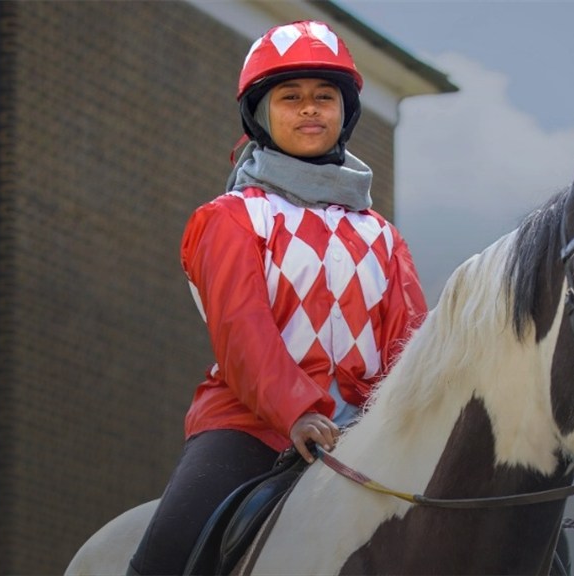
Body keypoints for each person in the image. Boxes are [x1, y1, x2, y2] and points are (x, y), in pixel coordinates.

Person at [127, 20, 428, 576]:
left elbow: (410, 345)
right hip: (254, 426)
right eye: (290, 98)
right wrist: (298, 413)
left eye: (324, 98)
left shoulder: (383, 235)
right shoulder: (229, 219)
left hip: (367, 432)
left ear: (345, 113)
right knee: (170, 550)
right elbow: (243, 333)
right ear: (260, 114)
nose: (309, 109)